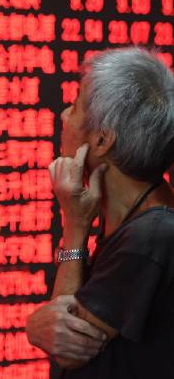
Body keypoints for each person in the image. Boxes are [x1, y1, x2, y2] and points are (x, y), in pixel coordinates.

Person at [26, 47, 174, 378]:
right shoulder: (142, 218)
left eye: (76, 107)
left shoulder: (149, 238)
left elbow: (66, 347)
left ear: (103, 139)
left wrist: (75, 226)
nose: (64, 115)